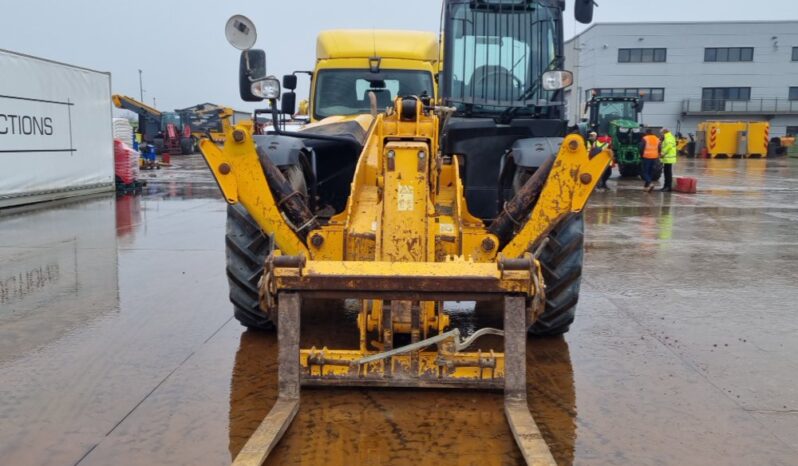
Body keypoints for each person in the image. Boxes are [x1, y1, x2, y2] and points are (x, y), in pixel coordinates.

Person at [638, 128, 661, 192]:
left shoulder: (645, 138)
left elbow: (641, 148)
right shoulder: (657, 138)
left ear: (646, 133)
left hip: (647, 157)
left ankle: (650, 183)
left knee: (645, 172)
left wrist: (641, 155)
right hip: (655, 157)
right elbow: (659, 148)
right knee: (650, 172)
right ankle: (646, 187)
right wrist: (658, 154)